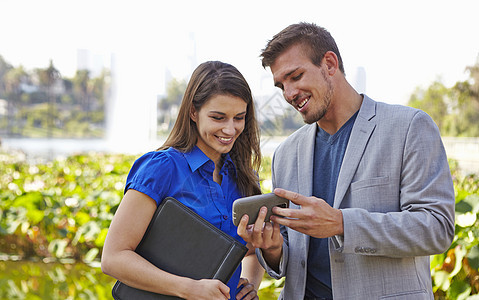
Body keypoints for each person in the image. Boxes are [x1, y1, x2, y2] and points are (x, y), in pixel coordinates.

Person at [237, 22, 455, 300]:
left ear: (329, 63)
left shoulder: (409, 127)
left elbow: (436, 228)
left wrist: (341, 224)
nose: (289, 94)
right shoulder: (285, 154)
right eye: (281, 85)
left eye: (296, 76)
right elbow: (291, 254)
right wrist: (273, 248)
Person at [101, 61, 264, 300]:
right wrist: (189, 289)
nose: (230, 129)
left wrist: (250, 285)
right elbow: (113, 258)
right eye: (218, 117)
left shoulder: (243, 176)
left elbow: (250, 250)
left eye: (239, 118)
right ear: (193, 112)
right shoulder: (162, 168)